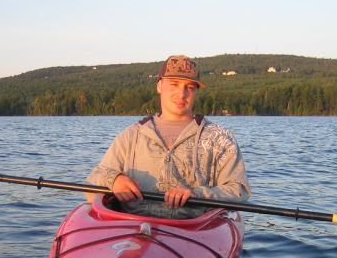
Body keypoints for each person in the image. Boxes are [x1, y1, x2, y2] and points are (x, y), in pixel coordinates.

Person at [86, 54, 250, 219]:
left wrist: (197, 194)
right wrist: (114, 180)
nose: (182, 93)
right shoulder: (130, 136)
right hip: (133, 229)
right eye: (174, 84)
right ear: (159, 86)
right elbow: (94, 179)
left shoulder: (220, 138)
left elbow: (239, 191)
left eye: (190, 87)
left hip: (194, 232)